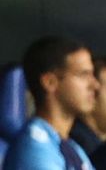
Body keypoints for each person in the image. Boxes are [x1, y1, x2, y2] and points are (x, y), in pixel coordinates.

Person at [2, 36, 98, 170]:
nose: (95, 85)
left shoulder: (72, 147)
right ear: (50, 82)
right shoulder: (35, 148)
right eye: (83, 75)